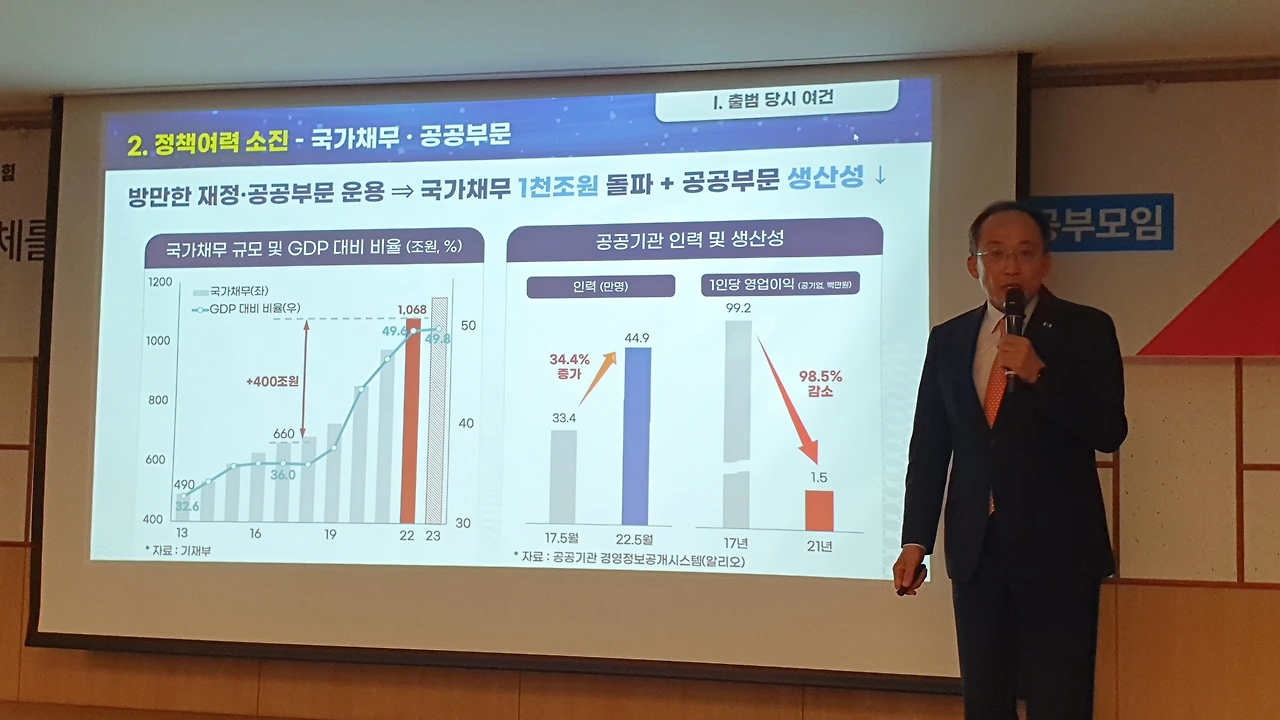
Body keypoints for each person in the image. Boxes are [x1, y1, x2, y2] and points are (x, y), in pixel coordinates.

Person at [893, 201, 1127, 720]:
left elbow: (1109, 431)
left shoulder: (1086, 328)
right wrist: (915, 540)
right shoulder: (949, 339)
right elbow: (930, 445)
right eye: (996, 254)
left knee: (1060, 701)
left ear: (1046, 263)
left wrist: (1040, 375)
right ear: (973, 265)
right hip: (978, 548)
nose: (1011, 267)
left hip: (1059, 551)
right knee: (985, 700)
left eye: (1025, 253)